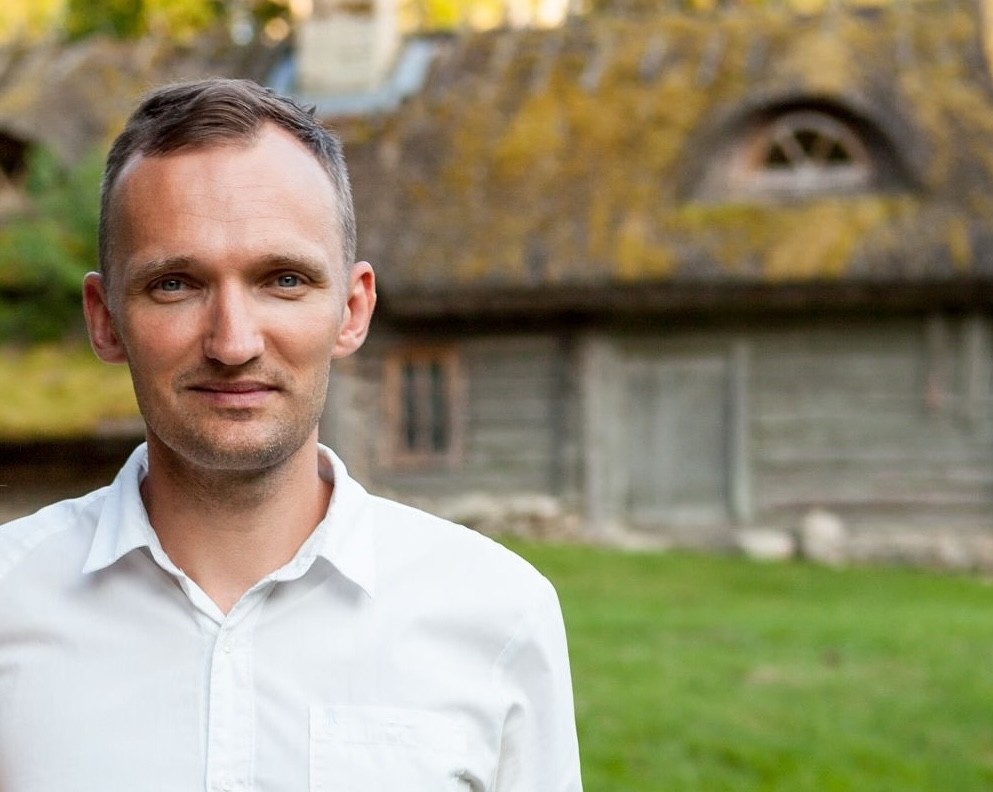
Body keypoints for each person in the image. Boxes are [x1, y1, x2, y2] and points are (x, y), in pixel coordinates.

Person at [0, 78, 582, 792]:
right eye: (175, 284)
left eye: (283, 280)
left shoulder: (499, 614)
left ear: (352, 309)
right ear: (104, 319)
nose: (233, 343)